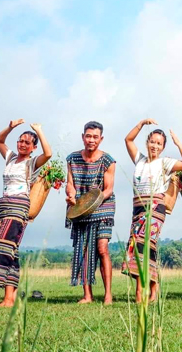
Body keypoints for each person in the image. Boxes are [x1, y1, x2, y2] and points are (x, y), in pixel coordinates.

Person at [121, 119, 182, 302]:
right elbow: (128, 140)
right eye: (152, 141)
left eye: (159, 143)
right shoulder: (140, 160)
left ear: (163, 147)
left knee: (142, 246)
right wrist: (141, 124)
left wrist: (178, 143)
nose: (155, 146)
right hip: (138, 209)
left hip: (155, 208)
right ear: (147, 143)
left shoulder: (165, 162)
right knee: (146, 248)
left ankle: (140, 293)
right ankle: (155, 289)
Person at [0, 118, 51, 307]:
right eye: (20, 141)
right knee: (12, 251)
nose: (22, 144)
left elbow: (48, 154)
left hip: (19, 205)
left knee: (5, 247)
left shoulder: (31, 163)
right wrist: (10, 127)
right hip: (4, 205)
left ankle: (8, 297)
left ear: (33, 147)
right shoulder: (10, 157)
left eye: (27, 142)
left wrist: (39, 131)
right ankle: (10, 298)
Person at [65, 121, 117, 305]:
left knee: (102, 248)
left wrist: (94, 202)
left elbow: (109, 188)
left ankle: (108, 295)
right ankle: (88, 295)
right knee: (84, 249)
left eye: (95, 137)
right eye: (88, 136)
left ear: (101, 139)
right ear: (82, 137)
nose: (91, 140)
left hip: (103, 206)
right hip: (80, 208)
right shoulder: (72, 158)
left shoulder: (108, 160)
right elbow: (70, 183)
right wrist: (71, 196)